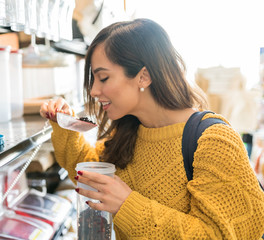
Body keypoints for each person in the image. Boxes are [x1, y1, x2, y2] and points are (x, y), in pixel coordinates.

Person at [39, 18, 264, 239]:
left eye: (103, 78)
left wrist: (128, 206)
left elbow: (220, 235)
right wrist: (64, 124)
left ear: (143, 76)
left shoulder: (215, 142)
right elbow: (89, 177)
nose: (94, 90)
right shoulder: (128, 133)